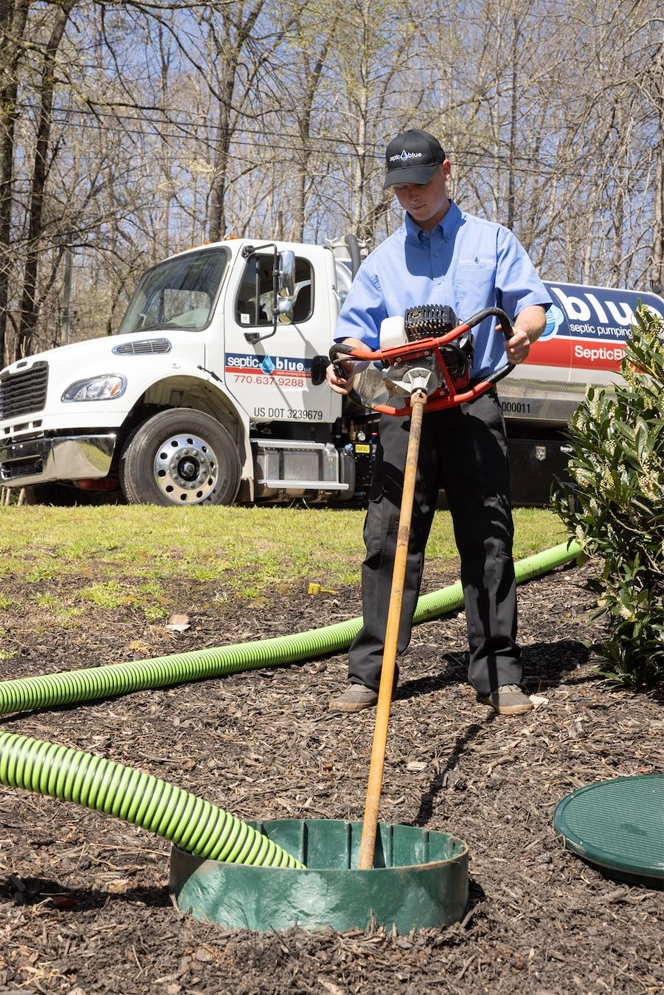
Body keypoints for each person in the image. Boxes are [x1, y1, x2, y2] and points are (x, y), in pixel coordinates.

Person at [327, 128, 552, 717]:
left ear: (447, 172)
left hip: (472, 400)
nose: (411, 197)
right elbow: (351, 333)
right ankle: (373, 671)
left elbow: (530, 302)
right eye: (399, 188)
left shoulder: (491, 241)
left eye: (420, 184)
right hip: (404, 407)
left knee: (488, 537)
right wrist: (349, 362)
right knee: (388, 538)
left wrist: (523, 333)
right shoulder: (380, 261)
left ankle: (498, 672)